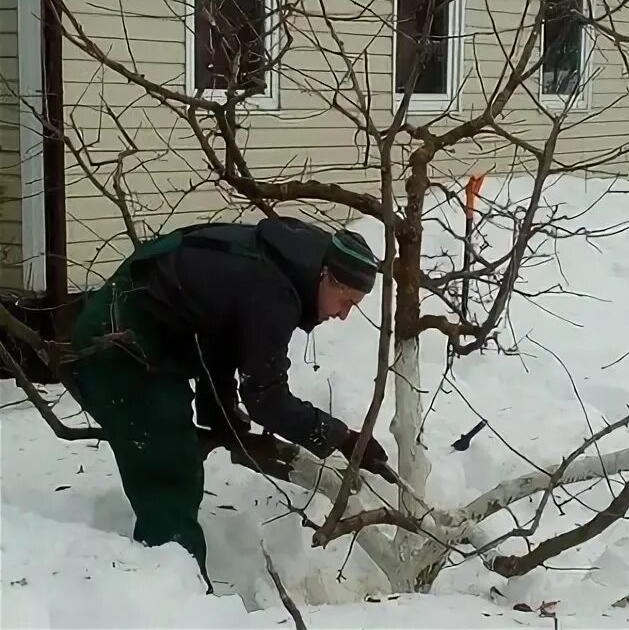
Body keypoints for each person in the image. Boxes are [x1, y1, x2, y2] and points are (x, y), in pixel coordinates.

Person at [69, 216, 390, 589]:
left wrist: (217, 410)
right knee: (169, 461)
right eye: (345, 300)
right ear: (326, 278)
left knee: (174, 443)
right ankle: (173, 590)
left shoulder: (293, 265)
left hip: (156, 328)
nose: (343, 314)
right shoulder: (272, 291)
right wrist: (342, 438)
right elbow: (267, 398)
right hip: (118, 338)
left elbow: (221, 332)